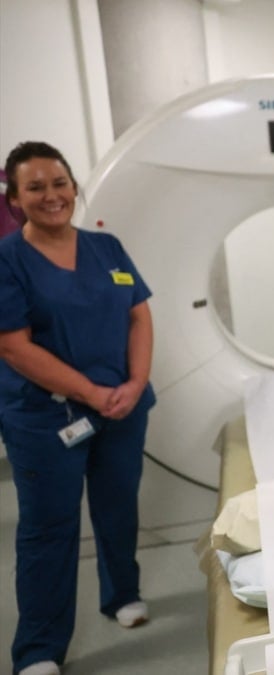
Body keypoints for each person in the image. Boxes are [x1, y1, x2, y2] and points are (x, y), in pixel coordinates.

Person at [0, 142, 156, 675]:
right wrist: (93, 394)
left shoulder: (107, 247)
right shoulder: (7, 260)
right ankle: (39, 649)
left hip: (123, 404)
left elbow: (139, 315)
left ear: (73, 186)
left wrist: (135, 383)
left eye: (60, 183)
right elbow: (14, 345)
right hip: (47, 416)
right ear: (15, 199)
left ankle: (121, 596)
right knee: (48, 526)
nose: (52, 196)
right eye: (36, 187)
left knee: (118, 505)